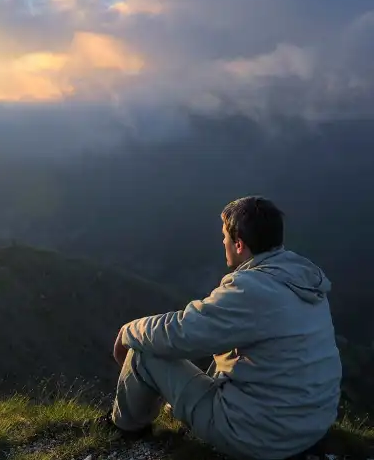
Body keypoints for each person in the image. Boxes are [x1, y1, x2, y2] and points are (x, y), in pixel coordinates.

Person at [109, 196, 342, 460]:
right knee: (226, 353)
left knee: (145, 353)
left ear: (239, 244)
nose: (222, 243)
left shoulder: (250, 289)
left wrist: (128, 331)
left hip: (260, 436)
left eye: (225, 237)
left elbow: (180, 333)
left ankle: (125, 429)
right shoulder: (303, 280)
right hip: (311, 426)